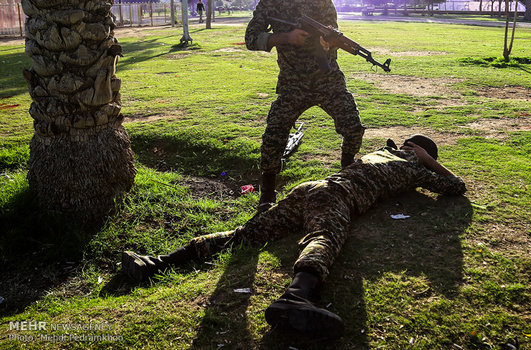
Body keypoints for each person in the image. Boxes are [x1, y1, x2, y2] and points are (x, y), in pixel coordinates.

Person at [121, 135, 467, 339]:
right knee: (324, 237)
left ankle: (157, 262)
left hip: (312, 187)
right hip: (335, 197)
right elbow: (456, 187)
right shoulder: (410, 165)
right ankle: (296, 297)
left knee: (247, 234)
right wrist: (427, 162)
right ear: (419, 153)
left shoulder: (380, 153)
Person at [245, 0, 365, 210]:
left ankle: (347, 173)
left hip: (327, 79)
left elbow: (334, 28)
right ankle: (267, 195)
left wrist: (329, 41)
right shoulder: (270, 3)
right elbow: (251, 37)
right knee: (274, 136)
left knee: (354, 128)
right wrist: (285, 37)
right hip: (292, 83)